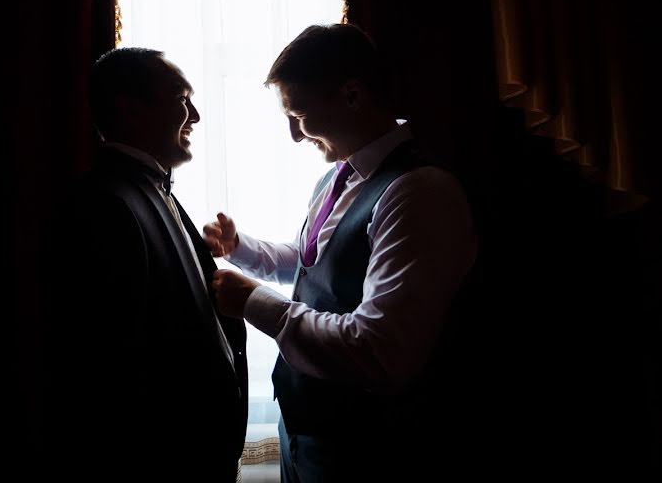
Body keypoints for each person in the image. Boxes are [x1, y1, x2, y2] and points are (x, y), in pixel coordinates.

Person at [203, 24, 477, 481]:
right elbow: (312, 263)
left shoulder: (419, 193)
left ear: (352, 95)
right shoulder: (337, 177)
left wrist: (253, 301)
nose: (294, 135)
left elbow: (379, 350)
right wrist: (239, 248)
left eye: (301, 114)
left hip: (367, 447)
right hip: (305, 428)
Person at [46, 47, 248, 481]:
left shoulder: (150, 191)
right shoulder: (105, 204)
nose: (194, 115)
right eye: (182, 98)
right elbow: (111, 363)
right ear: (131, 110)